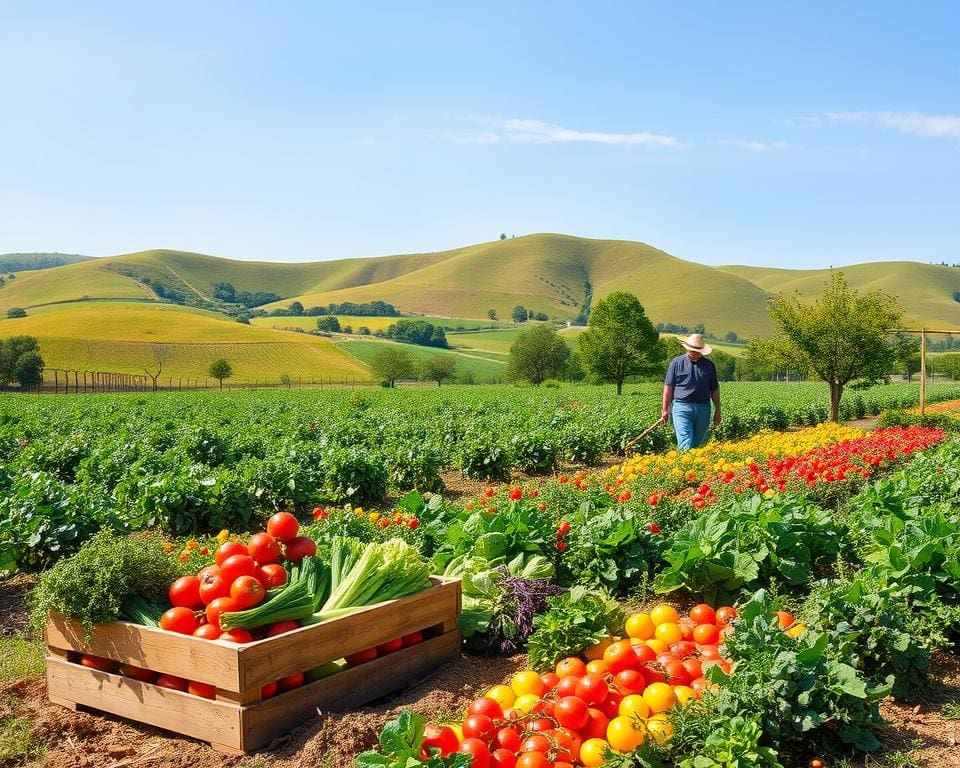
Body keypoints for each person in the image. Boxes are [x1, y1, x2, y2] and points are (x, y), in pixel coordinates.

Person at [660, 333, 721, 450]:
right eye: (691, 351)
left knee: (698, 445)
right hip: (681, 407)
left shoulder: (709, 366)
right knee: (685, 444)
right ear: (687, 348)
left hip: (703, 408)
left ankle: (694, 467)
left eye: (697, 352)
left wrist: (718, 410)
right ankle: (684, 466)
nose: (693, 353)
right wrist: (665, 409)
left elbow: (714, 390)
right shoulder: (676, 363)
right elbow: (668, 387)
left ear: (702, 352)